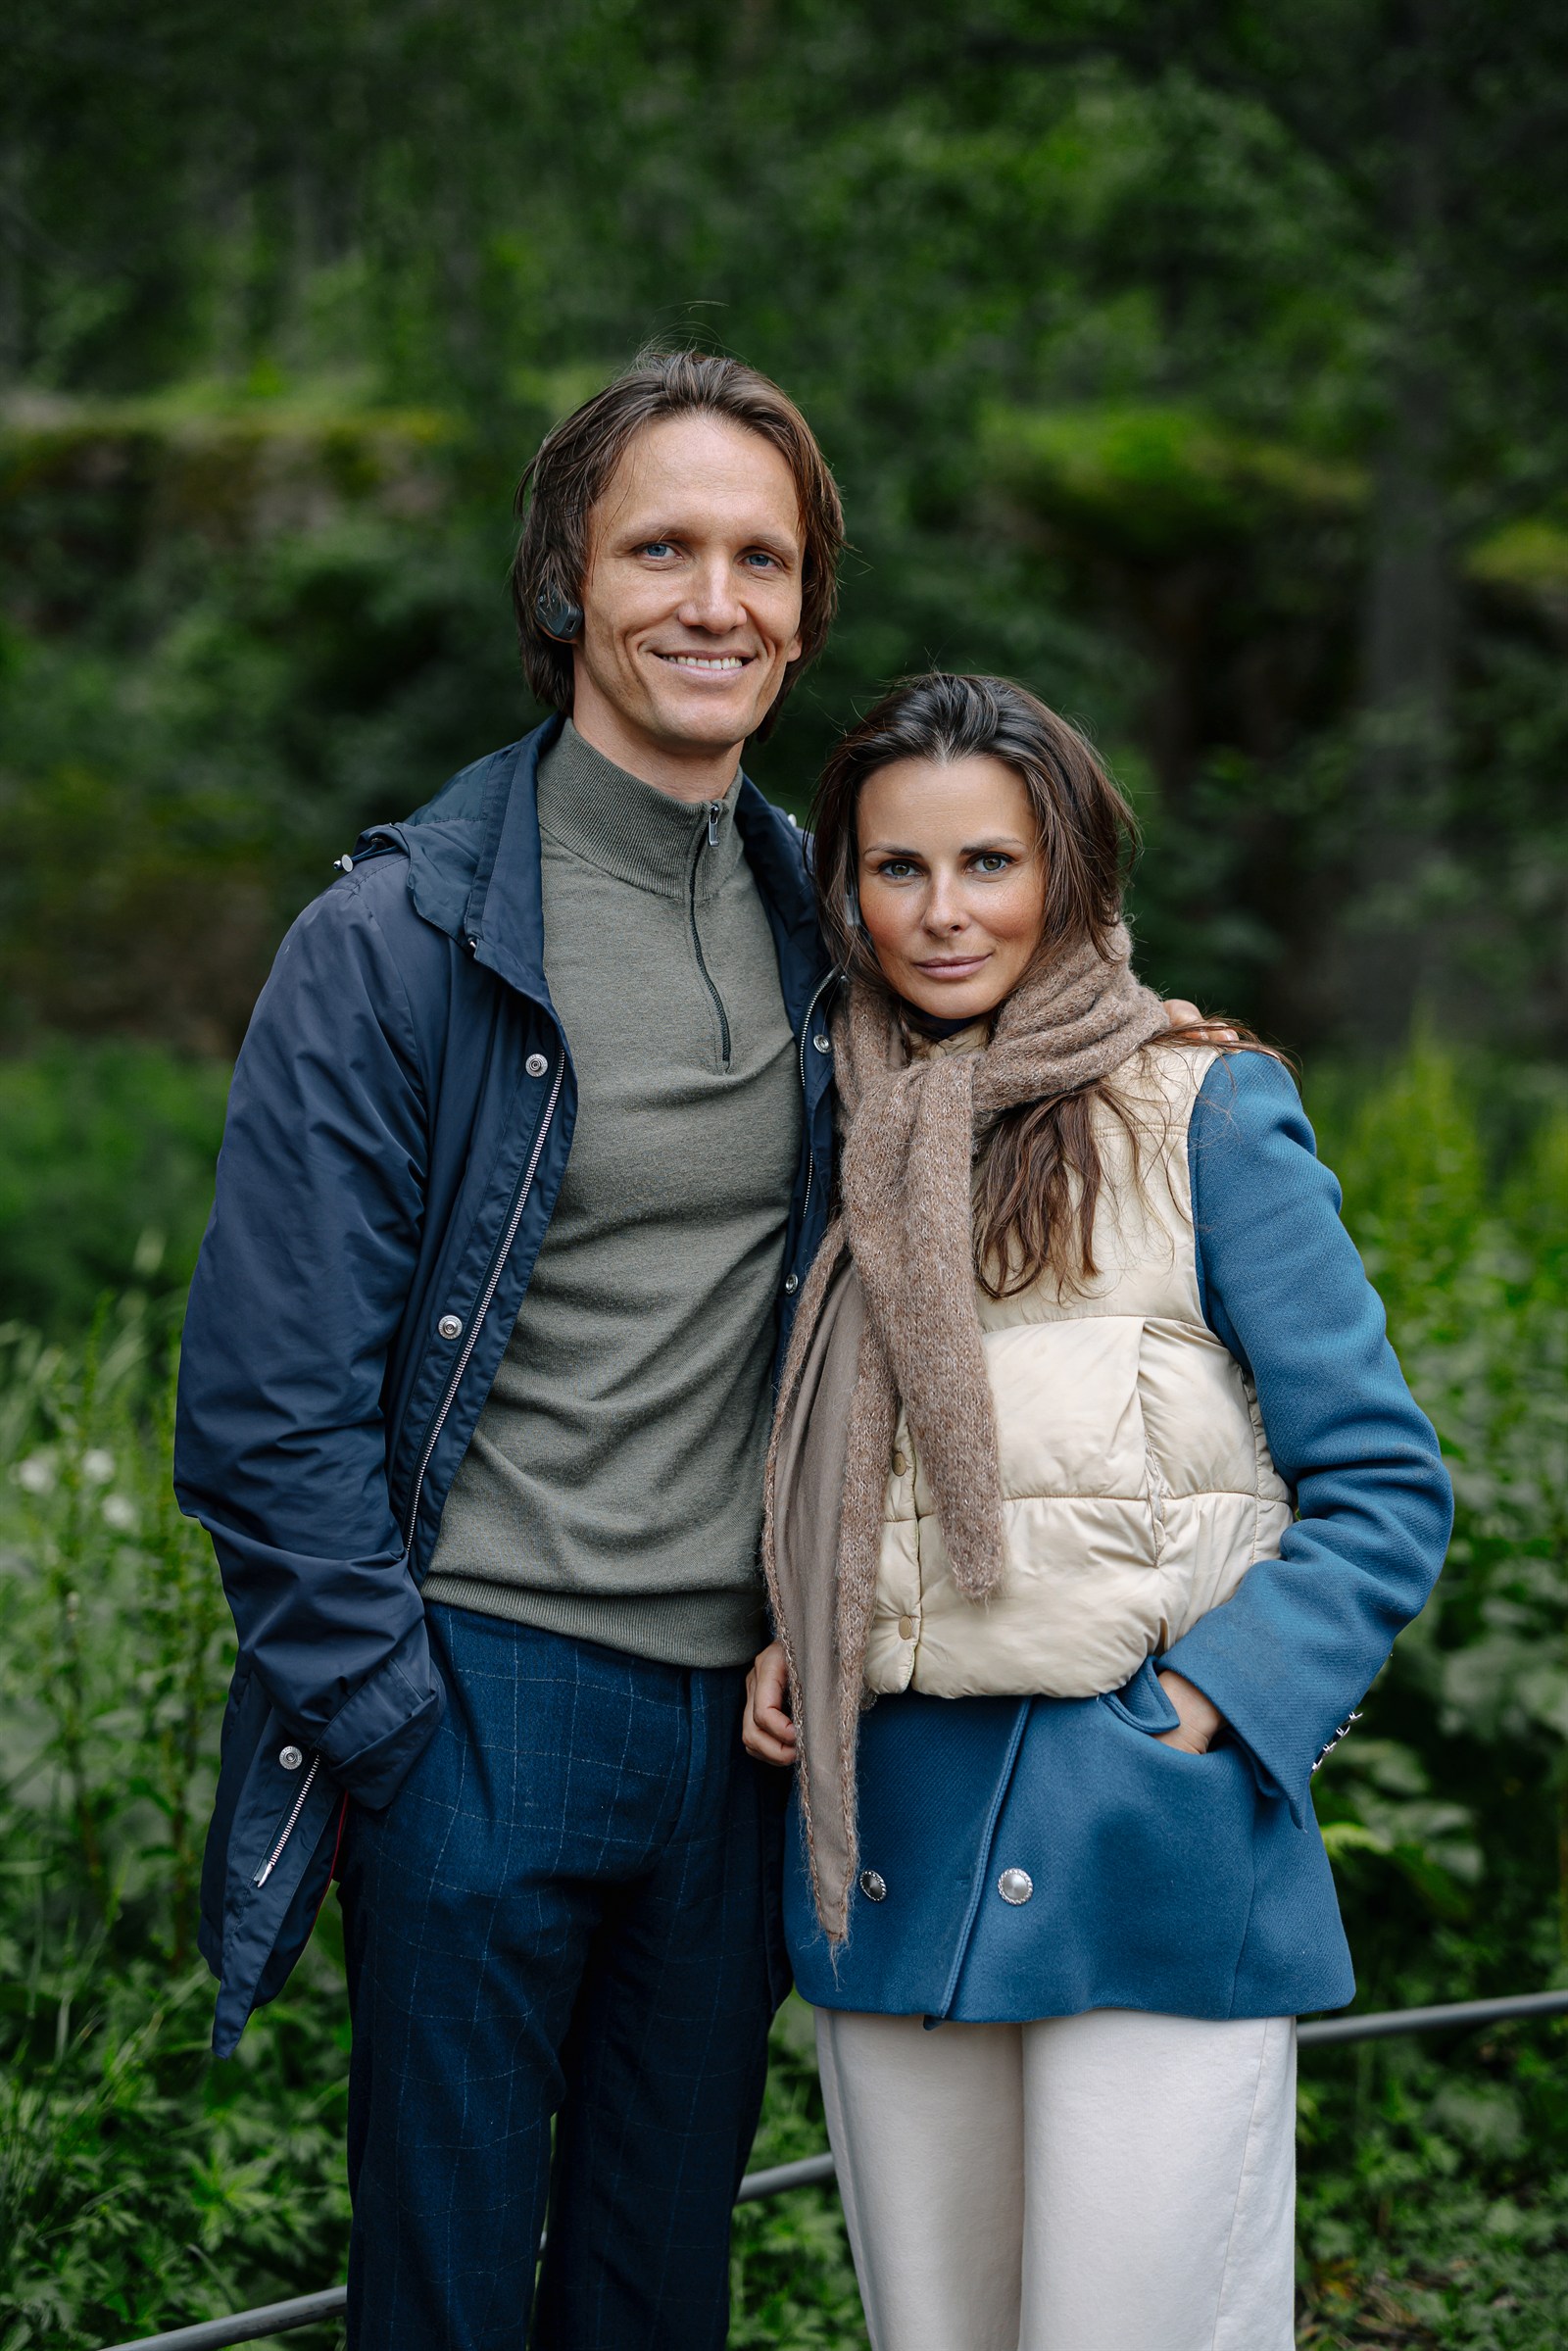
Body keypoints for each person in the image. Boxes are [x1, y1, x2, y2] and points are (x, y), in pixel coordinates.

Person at [175, 352, 1209, 2349]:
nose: (714, 601)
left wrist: (1176, 1051)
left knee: (660, 2294)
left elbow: (1019, 1063)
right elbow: (260, 1407)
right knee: (447, 2296)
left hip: (744, 1730)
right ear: (566, 577)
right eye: (661, 549)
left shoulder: (826, 926)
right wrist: (393, 1724)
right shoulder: (399, 943)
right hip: (475, 1696)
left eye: (762, 558)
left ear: (807, 608)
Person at [744, 671, 1453, 2351]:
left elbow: (1384, 1484)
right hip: (897, 1846)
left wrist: (1202, 1711)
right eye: (897, 867)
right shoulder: (836, 1132)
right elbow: (831, 1464)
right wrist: (804, 1626)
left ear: (1068, 870)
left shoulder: (1207, 1107)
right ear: (845, 888)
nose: (941, 911)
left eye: (988, 862)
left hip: (1141, 1840)